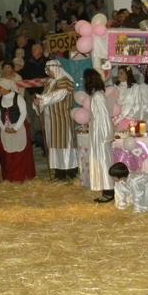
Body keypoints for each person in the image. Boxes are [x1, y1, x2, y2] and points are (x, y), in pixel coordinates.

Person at [34, 59, 79, 180]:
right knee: (54, 146)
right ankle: (59, 172)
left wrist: (42, 99)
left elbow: (59, 95)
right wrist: (38, 102)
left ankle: (70, 170)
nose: (48, 72)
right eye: (47, 70)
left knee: (65, 145)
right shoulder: (50, 82)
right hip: (51, 120)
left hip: (62, 119)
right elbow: (45, 96)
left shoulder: (65, 81)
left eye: (50, 70)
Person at [0, 77, 35, 183]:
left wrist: (15, 128)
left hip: (19, 128)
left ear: (6, 88)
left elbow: (23, 113)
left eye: (0, 87)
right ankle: (10, 176)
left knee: (19, 152)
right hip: (5, 129)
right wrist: (4, 128)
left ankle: (21, 175)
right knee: (8, 154)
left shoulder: (18, 98)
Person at [84, 68, 114, 203]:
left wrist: (107, 135)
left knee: (104, 161)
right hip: (97, 132)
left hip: (101, 134)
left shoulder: (98, 96)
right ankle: (106, 189)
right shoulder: (97, 95)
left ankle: (109, 191)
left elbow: (105, 116)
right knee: (100, 160)